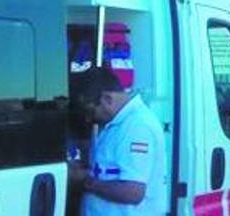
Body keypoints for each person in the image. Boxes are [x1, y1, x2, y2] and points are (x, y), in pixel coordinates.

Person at [68, 67, 166, 215]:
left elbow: (133, 192)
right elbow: (108, 170)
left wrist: (86, 182)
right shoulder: (114, 123)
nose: (88, 118)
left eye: (90, 111)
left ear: (107, 99)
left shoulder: (138, 126)